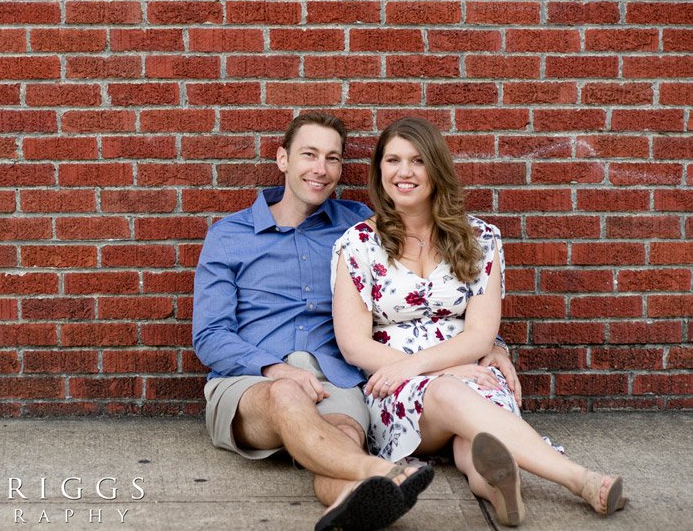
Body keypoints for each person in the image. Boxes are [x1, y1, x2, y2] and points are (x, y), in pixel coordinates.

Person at [193, 112, 519, 530]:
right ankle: (385, 474)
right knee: (286, 396)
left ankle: (351, 499)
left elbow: (426, 291)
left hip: (335, 378)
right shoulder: (230, 234)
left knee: (343, 437)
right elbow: (209, 335)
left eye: (332, 158)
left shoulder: (360, 228)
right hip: (250, 380)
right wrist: (274, 369)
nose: (320, 169)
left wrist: (492, 345)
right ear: (282, 159)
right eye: (308, 155)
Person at [331, 117, 627, 527]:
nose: (404, 172)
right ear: (379, 170)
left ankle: (498, 488)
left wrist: (449, 366)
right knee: (450, 393)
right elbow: (353, 344)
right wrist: (437, 368)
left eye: (417, 161)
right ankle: (580, 479)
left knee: (479, 446)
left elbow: (481, 334)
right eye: (393, 160)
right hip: (396, 383)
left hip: (473, 374)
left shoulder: (481, 239)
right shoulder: (358, 245)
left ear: (436, 168)